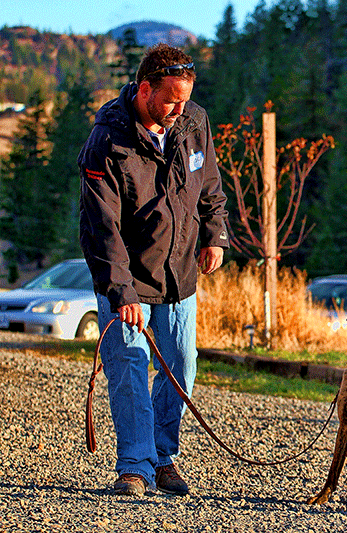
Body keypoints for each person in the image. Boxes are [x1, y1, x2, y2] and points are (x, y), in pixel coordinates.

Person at [79, 43, 229, 496]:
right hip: (125, 279)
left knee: (182, 366)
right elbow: (100, 227)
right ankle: (136, 466)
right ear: (145, 89)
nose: (180, 109)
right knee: (128, 366)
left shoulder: (194, 121)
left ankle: (163, 456)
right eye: (171, 99)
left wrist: (215, 236)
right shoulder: (107, 139)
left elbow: (210, 185)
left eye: (185, 99)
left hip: (180, 273)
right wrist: (120, 292)